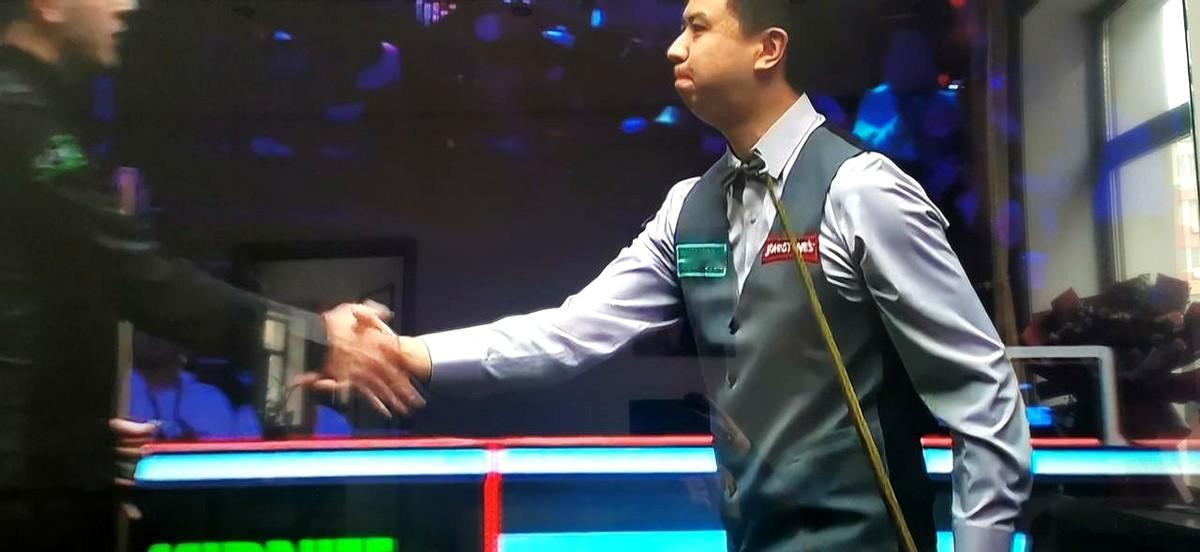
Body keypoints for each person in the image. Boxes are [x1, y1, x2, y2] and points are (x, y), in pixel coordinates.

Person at [344, 1, 1033, 550]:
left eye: (697, 27)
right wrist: (409, 352)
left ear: (768, 48)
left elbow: (983, 395)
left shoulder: (863, 191)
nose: (675, 48)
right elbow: (572, 332)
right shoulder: (688, 208)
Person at [0, 0, 420, 548]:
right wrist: (317, 339)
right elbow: (136, 276)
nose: (127, 5)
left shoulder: (31, 108)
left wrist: (66, 437)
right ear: (48, 4)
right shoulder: (16, 113)